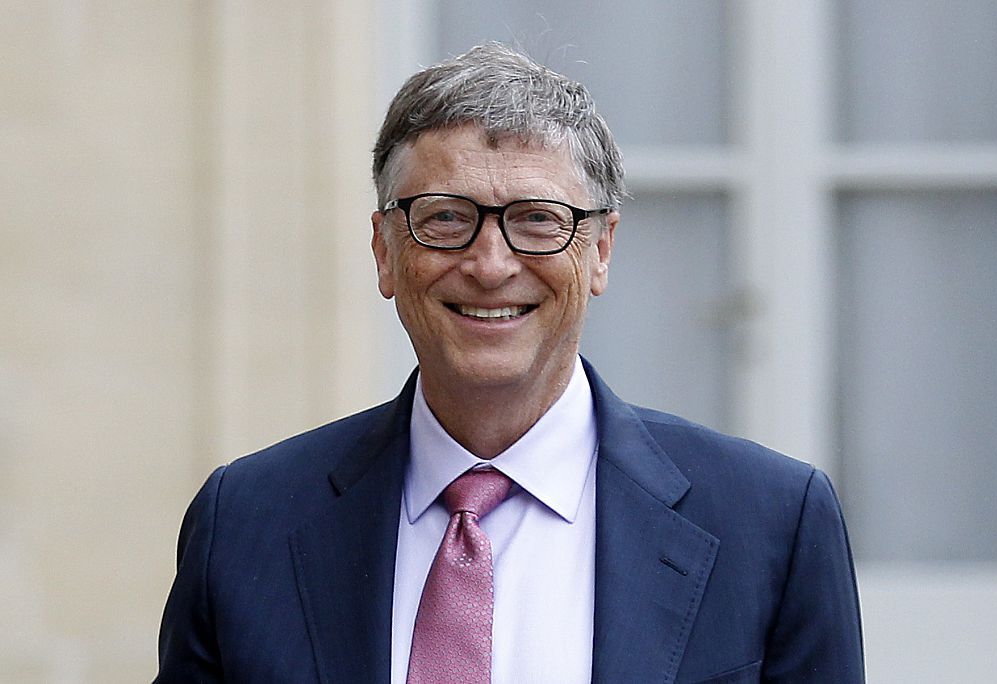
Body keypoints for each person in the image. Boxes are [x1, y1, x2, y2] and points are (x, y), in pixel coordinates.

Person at [156, 43, 864, 683]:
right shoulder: (246, 521)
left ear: (601, 251)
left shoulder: (770, 522)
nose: (490, 265)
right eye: (444, 218)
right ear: (383, 250)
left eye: (537, 220)